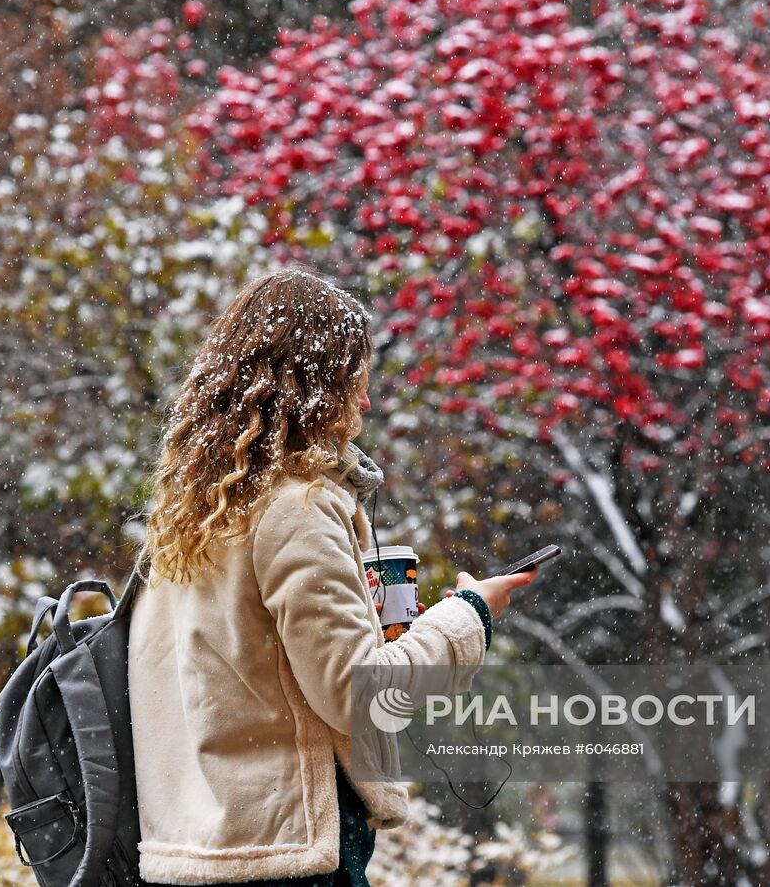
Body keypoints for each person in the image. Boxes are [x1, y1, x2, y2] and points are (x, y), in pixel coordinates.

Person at [127, 269, 538, 886]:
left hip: (198, 852)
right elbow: (358, 694)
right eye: (354, 383)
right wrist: (470, 615)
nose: (365, 404)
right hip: (289, 855)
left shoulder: (192, 517)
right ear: (314, 388)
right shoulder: (295, 508)